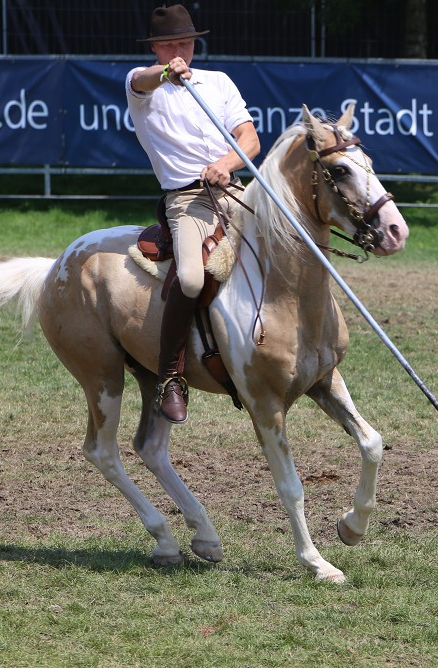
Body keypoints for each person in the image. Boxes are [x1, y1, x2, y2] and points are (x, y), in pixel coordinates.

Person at [125, 4, 260, 424]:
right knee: (189, 276)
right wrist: (166, 72)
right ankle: (169, 376)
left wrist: (227, 163)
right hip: (187, 199)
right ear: (155, 48)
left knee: (289, 243)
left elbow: (249, 138)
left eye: (184, 43)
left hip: (236, 189)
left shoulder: (218, 82)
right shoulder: (141, 84)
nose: (178, 51)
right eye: (168, 45)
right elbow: (146, 79)